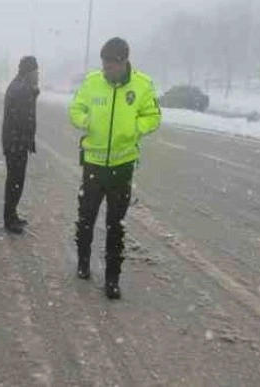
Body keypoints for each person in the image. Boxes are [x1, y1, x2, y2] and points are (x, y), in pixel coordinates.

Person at [69, 37, 161, 300]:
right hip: (94, 165)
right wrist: (84, 120)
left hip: (122, 167)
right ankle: (83, 262)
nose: (107, 70)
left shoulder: (142, 85)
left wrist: (136, 129)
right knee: (86, 218)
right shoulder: (92, 82)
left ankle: (112, 279)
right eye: (105, 65)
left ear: (124, 63)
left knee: (115, 225)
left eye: (111, 65)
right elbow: (75, 109)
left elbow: (153, 116)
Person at [1, 57, 39, 234]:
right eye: (36, 72)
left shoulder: (19, 86)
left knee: (15, 181)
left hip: (14, 142)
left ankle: (12, 215)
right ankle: (10, 220)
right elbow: (25, 119)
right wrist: (26, 141)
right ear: (29, 72)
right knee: (15, 182)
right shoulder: (22, 89)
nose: (38, 75)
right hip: (16, 143)